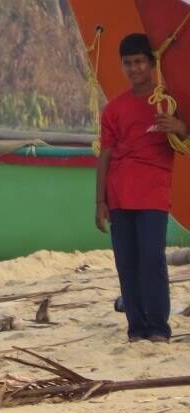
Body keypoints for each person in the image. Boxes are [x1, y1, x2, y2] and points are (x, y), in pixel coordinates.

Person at [95, 33, 187, 343]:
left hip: (153, 194)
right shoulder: (113, 110)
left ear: (152, 63)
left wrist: (181, 128)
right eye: (128, 63)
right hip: (119, 195)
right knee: (127, 262)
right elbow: (105, 155)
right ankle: (136, 328)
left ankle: (159, 328)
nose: (134, 69)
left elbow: (184, 144)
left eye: (139, 62)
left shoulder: (170, 102)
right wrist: (100, 202)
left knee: (152, 257)